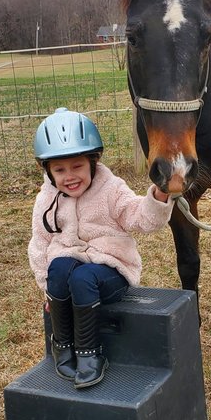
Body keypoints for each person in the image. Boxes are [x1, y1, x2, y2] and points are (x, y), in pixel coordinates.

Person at [28, 107, 173, 389]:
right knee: (57, 266)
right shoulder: (46, 199)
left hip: (110, 272)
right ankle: (62, 344)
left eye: (77, 166)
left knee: (84, 277)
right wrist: (49, 292)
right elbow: (39, 244)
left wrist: (159, 195)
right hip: (69, 272)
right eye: (59, 169)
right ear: (47, 171)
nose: (69, 176)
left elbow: (139, 217)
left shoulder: (111, 189)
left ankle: (89, 353)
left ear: (93, 162)